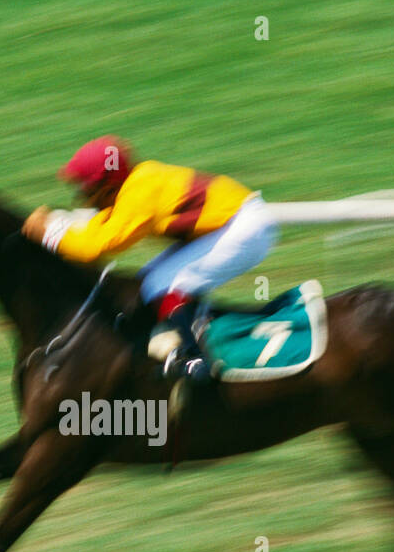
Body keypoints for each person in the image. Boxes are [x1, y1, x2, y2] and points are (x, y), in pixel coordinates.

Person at [22, 136, 279, 382]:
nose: (81, 196)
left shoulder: (140, 193)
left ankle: (194, 359)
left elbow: (99, 246)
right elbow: (99, 229)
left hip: (245, 228)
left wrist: (51, 234)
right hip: (233, 223)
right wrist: (57, 228)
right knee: (146, 283)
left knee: (161, 284)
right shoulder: (134, 184)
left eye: (86, 189)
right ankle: (188, 335)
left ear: (107, 186)